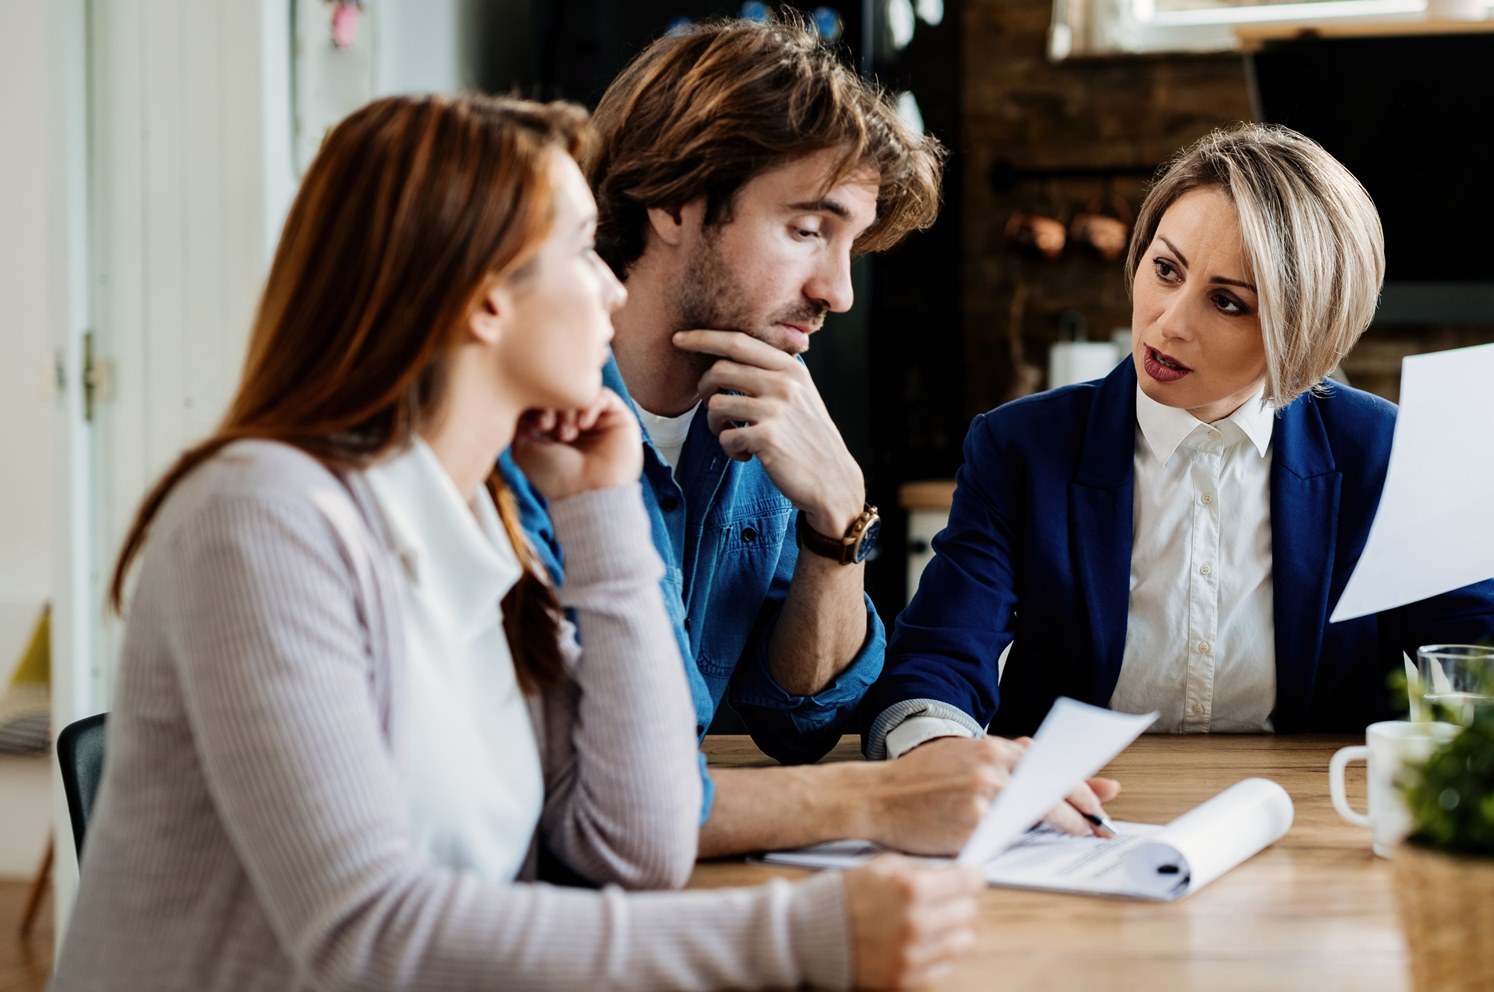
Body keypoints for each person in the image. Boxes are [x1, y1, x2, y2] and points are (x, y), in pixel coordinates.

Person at [51, 92, 979, 992]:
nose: (614, 287)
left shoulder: (485, 513)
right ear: (487, 299)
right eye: (581, 251)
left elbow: (638, 836)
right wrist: (799, 936)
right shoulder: (264, 519)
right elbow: (366, 939)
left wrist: (604, 508)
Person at [498, 16, 1115, 858]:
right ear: (675, 200)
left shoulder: (763, 418)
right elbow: (587, 785)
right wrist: (886, 795)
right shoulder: (520, 429)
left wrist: (838, 522)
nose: (838, 291)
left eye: (851, 246)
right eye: (806, 230)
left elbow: (800, 720)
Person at [860, 123, 1494, 755]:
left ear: (1305, 333)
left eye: (1229, 302)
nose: (1167, 323)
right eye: (1166, 268)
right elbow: (931, 671)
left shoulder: (1375, 454)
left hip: (1306, 831)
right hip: (1072, 825)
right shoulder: (1019, 448)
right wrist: (947, 763)